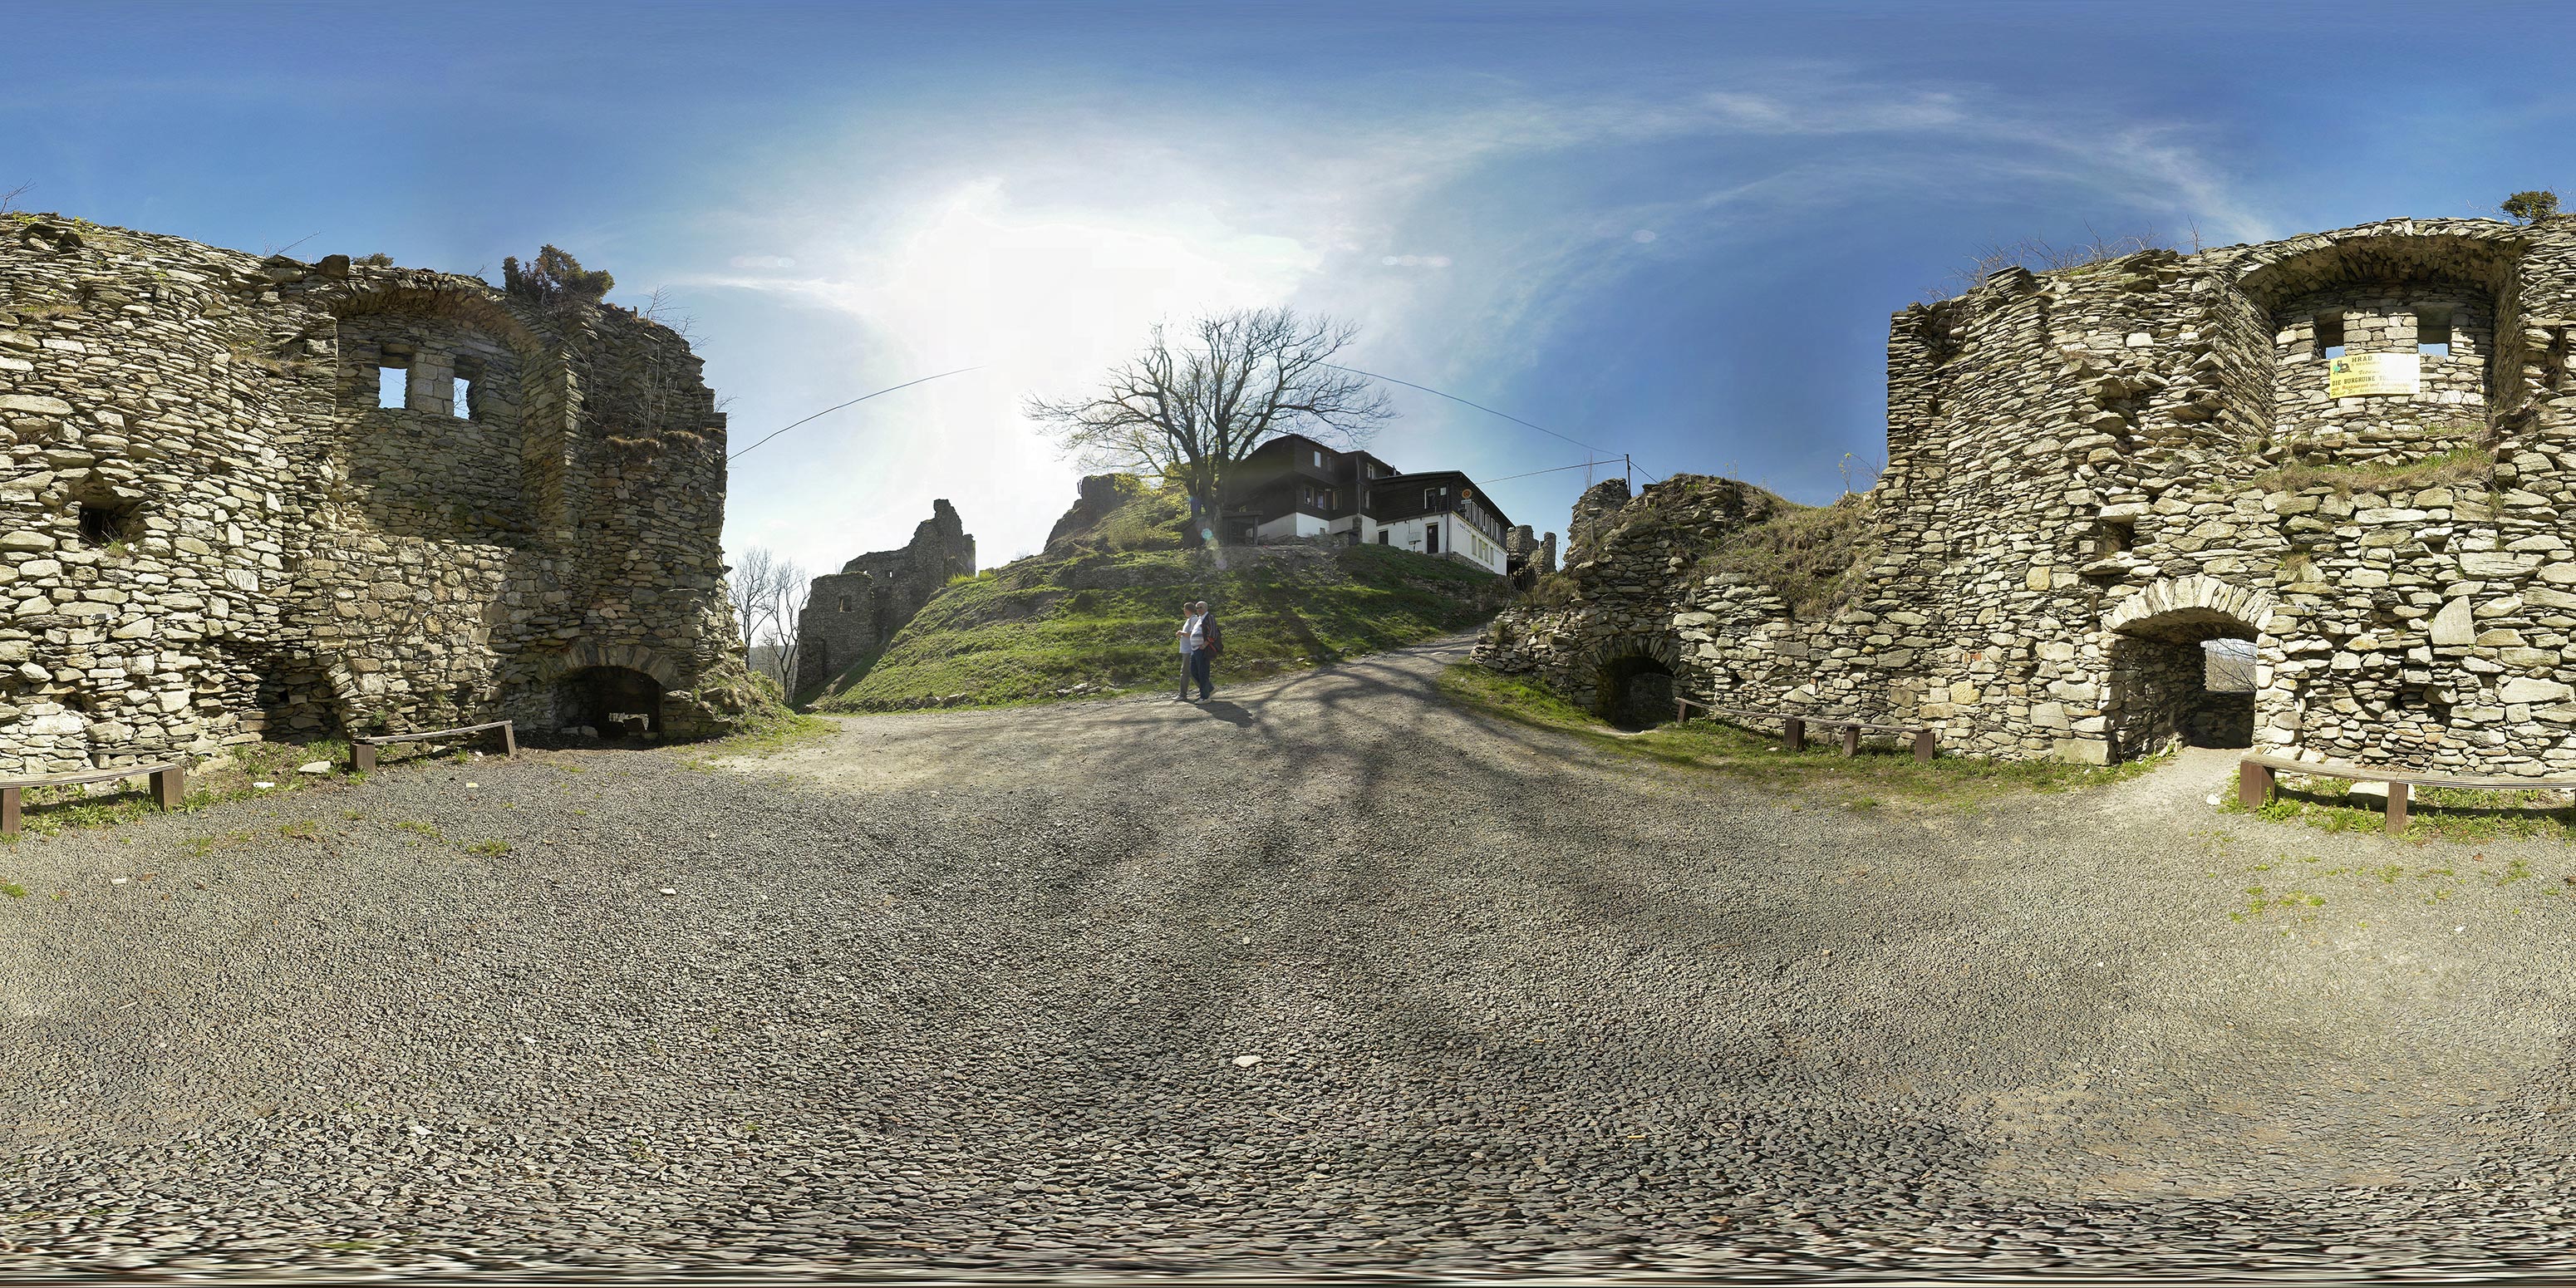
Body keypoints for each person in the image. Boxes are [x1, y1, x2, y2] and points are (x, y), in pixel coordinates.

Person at [1174, 600, 1205, 701]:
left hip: (1189, 650)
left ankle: (1183, 694)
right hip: (1186, 650)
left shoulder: (1194, 619)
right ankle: (1206, 689)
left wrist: (1181, 633)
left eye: (1184, 609)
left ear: (1188, 610)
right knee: (1191, 672)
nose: (1183, 611)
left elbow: (1193, 633)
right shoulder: (1189, 620)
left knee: (1185, 672)